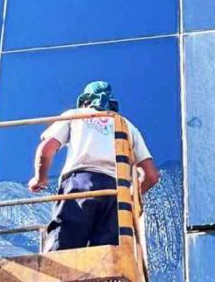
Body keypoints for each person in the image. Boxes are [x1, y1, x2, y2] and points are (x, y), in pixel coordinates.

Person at [28, 81, 160, 251]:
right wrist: (130, 198)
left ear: (86, 101)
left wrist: (40, 178)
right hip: (117, 193)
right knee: (106, 261)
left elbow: (46, 149)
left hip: (79, 185)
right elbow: (151, 175)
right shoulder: (127, 126)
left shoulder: (76, 115)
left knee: (64, 252)